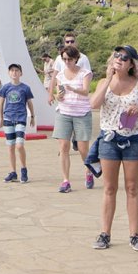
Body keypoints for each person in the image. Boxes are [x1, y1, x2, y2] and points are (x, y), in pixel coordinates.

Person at [88, 45, 138, 251]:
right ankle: (105, 233)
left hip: (133, 140)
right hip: (109, 139)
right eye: (117, 55)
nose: (119, 59)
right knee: (109, 188)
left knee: (132, 187)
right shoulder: (103, 82)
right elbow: (94, 104)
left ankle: (134, 235)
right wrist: (108, 79)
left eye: (125, 57)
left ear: (131, 63)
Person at [50, 44, 93, 192]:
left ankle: (88, 170)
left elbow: (86, 91)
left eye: (69, 59)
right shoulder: (60, 75)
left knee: (82, 149)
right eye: (64, 59)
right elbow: (59, 94)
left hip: (81, 113)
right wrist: (58, 95)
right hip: (64, 112)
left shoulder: (85, 73)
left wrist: (73, 88)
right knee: (63, 147)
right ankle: (65, 180)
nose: (67, 62)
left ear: (76, 59)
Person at [0, 64, 36, 182]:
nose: (14, 73)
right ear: (9, 73)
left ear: (21, 73)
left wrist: (32, 116)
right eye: (12, 70)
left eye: (16, 70)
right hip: (8, 118)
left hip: (21, 118)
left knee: (19, 145)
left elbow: (29, 103)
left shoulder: (25, 88)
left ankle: (24, 169)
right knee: (10, 147)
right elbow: (1, 103)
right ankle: (13, 172)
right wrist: (1, 117)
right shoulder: (5, 88)